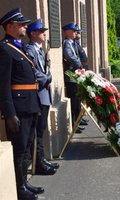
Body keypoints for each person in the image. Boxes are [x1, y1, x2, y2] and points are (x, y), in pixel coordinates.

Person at [0, 8, 41, 200]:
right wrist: (9, 113)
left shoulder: (20, 46)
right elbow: (3, 84)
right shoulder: (5, 49)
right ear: (10, 27)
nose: (25, 26)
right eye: (21, 24)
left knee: (26, 148)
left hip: (30, 105)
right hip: (18, 108)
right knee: (19, 148)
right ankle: (19, 189)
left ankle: (24, 183)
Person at [26, 19, 59, 175]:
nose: (44, 33)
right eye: (41, 31)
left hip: (44, 94)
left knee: (41, 129)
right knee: (38, 130)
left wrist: (47, 77)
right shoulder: (30, 50)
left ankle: (40, 159)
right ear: (33, 34)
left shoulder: (40, 49)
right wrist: (47, 78)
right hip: (38, 93)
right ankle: (37, 163)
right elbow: (33, 72)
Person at [62, 22, 85, 133]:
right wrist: (79, 64)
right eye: (74, 31)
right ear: (67, 32)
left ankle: (77, 122)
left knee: (77, 100)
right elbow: (69, 56)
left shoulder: (72, 43)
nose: (76, 33)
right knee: (74, 101)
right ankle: (74, 124)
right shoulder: (67, 43)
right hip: (70, 76)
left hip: (75, 75)